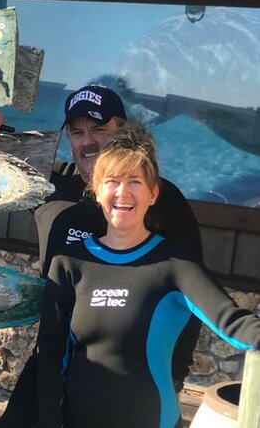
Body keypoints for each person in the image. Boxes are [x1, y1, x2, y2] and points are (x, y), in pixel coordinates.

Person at [0, 86, 203, 427]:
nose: (88, 141)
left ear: (124, 133)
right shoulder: (47, 186)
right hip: (50, 368)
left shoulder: (158, 198)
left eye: (99, 129)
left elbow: (193, 297)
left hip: (128, 377)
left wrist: (174, 377)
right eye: (77, 132)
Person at [37, 124, 260, 428]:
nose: (123, 192)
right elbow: (50, 353)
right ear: (98, 191)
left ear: (153, 192)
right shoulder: (69, 262)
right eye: (112, 181)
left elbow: (234, 322)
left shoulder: (175, 264)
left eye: (135, 181)